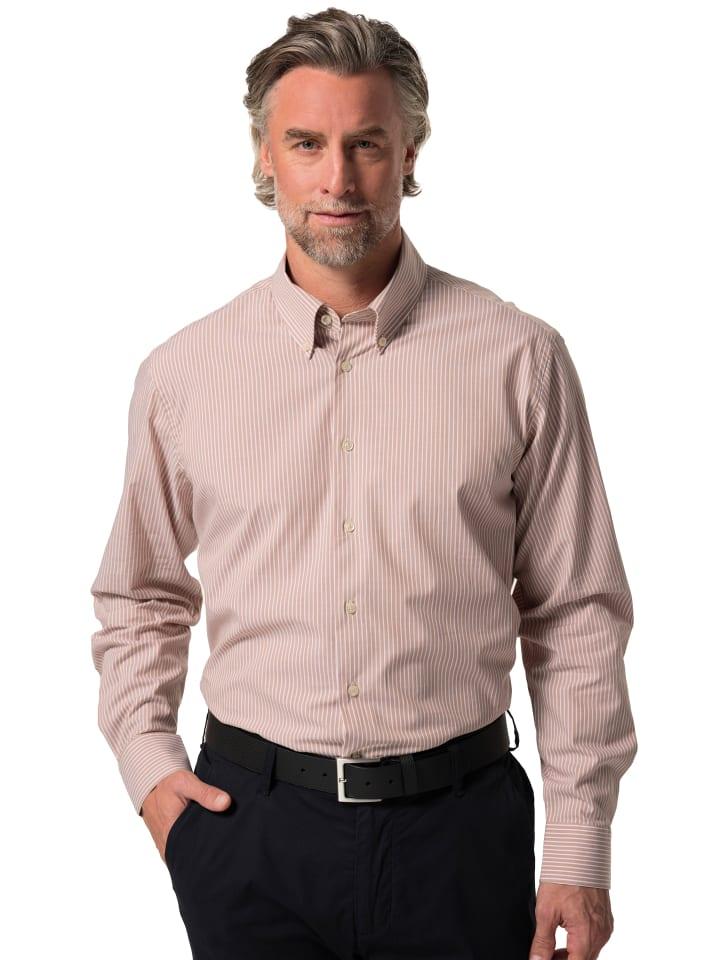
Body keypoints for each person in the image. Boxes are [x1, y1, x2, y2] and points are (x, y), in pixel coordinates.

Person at [90, 8, 637, 960]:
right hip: (248, 833)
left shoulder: (520, 359)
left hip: (461, 835)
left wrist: (579, 848)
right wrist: (152, 776)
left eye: (367, 144)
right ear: (265, 155)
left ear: (409, 151)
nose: (337, 179)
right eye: (307, 143)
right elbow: (139, 595)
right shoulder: (183, 374)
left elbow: (577, 611)